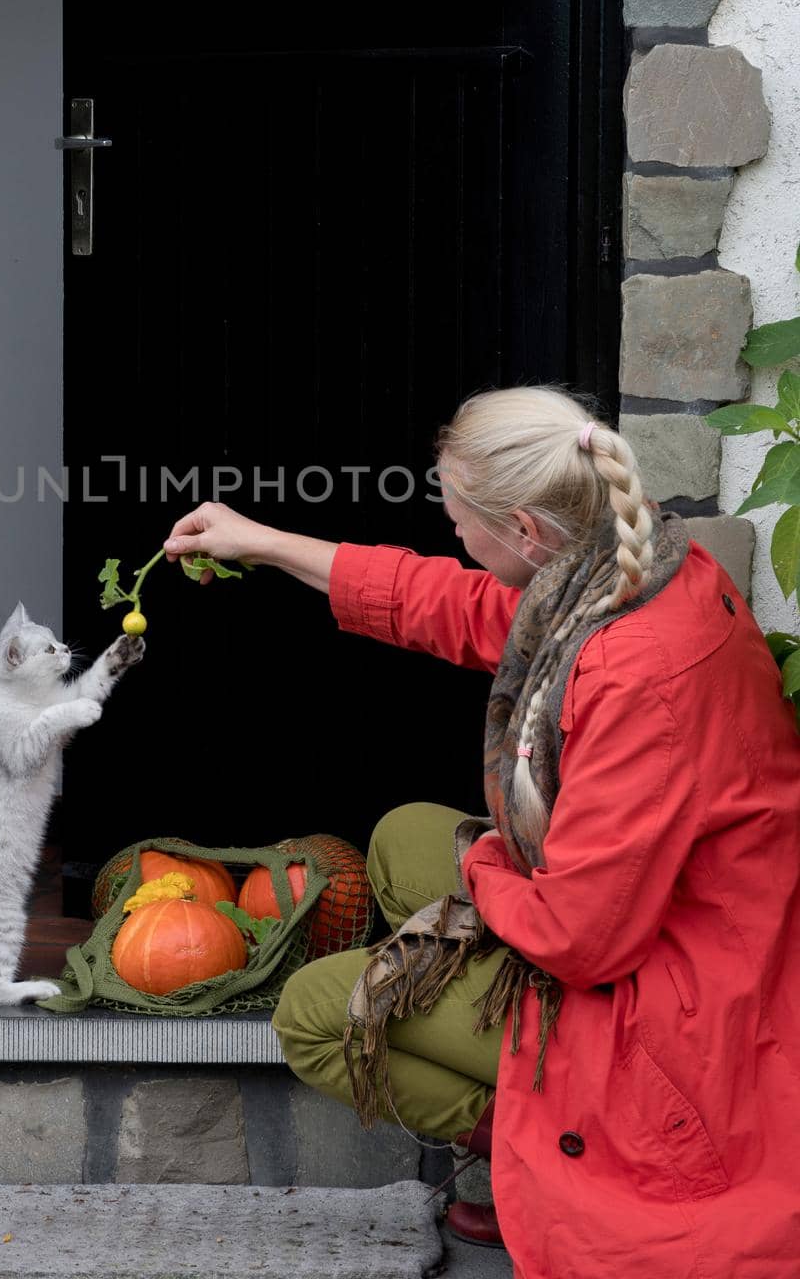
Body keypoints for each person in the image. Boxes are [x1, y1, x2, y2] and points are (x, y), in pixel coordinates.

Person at [162, 386, 800, 1279]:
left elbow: (582, 941)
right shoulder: (633, 572)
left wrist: (491, 862)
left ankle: (528, 1151)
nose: (453, 534)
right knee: (402, 839)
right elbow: (455, 605)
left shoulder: (635, 673)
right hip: (688, 920)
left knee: (314, 1012)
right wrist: (263, 543)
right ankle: (501, 1059)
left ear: (528, 533)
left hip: (676, 1001)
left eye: (459, 517)